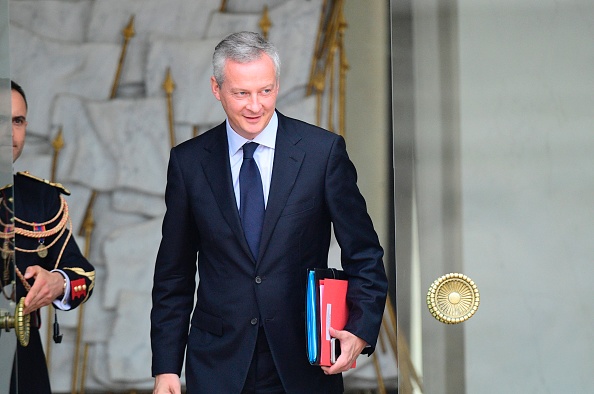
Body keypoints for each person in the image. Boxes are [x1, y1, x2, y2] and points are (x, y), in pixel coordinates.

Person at [150, 31, 388, 393]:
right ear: (217, 89)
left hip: (304, 360)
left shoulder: (322, 153)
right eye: (241, 93)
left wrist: (360, 327)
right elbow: (174, 275)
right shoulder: (188, 163)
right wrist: (166, 367)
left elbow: (365, 253)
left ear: (277, 84)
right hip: (218, 364)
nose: (255, 105)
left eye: (265, 90)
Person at [0, 80, 95, 394]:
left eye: (17, 120)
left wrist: (58, 282)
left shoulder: (40, 198)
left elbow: (83, 275)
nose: (10, 132)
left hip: (20, 357)